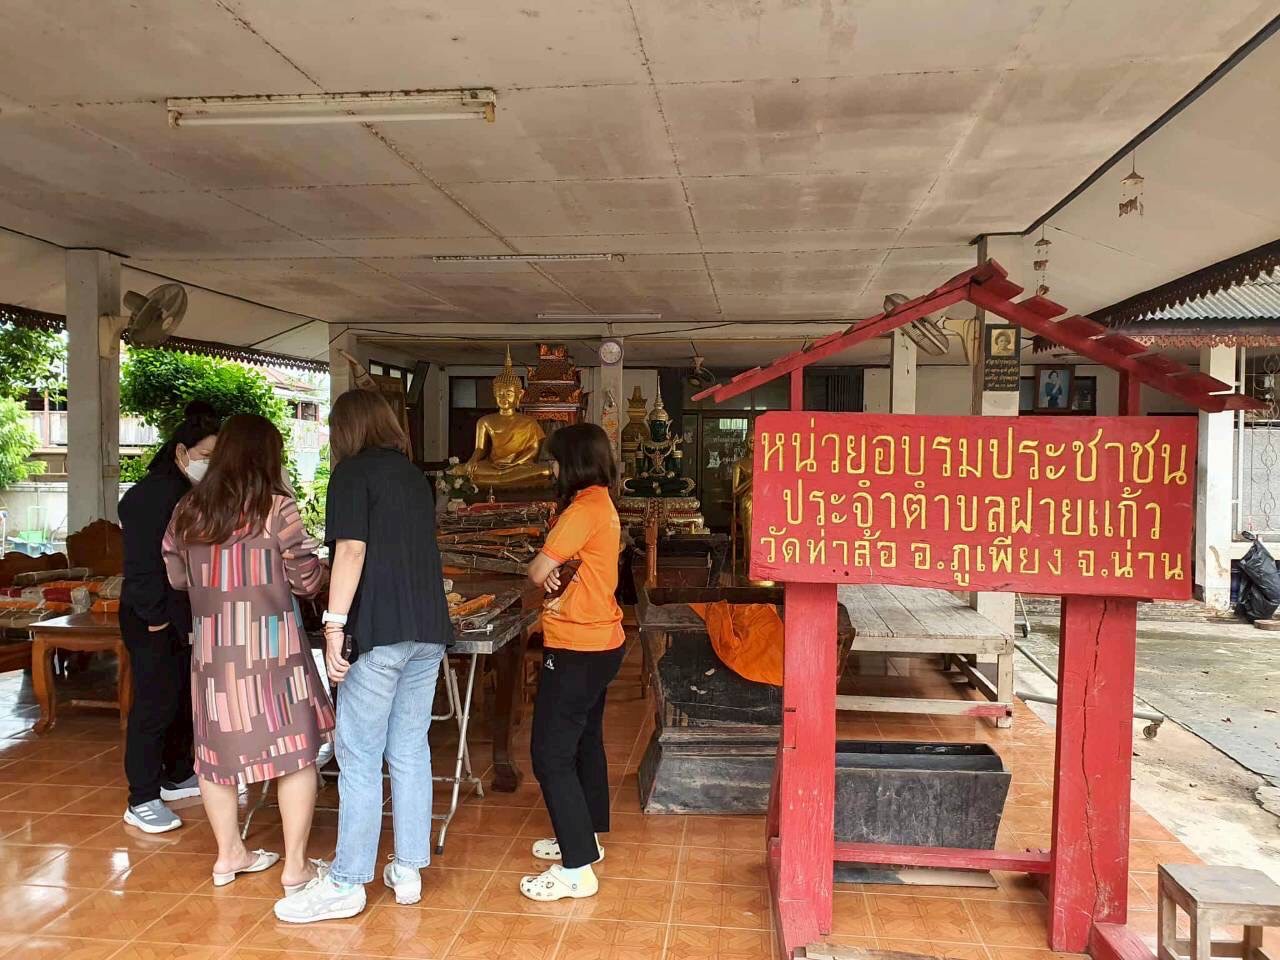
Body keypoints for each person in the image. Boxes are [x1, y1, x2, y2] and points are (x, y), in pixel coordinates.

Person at [275, 388, 451, 924]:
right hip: (428, 629)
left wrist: (333, 625)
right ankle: (408, 869)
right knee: (410, 749)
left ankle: (348, 881)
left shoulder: (352, 473)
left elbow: (351, 551)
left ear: (345, 430)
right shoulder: (413, 476)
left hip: (380, 630)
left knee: (358, 754)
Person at [163, 414, 332, 895]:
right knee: (294, 754)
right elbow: (306, 582)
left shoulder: (188, 509)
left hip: (213, 654)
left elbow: (176, 577)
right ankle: (295, 867)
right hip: (272, 652)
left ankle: (229, 854)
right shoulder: (277, 509)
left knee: (214, 756)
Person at [519, 422, 625, 902]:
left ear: (574, 462)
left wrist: (545, 567)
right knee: (584, 741)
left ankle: (577, 868)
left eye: (556, 461)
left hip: (577, 646)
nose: (552, 470)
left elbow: (537, 571)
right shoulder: (601, 503)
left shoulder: (582, 509)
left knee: (550, 754)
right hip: (601, 641)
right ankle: (587, 838)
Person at [118, 401, 222, 834]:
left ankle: (176, 774)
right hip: (152, 617)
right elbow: (142, 566)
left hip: (182, 617)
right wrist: (156, 618)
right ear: (181, 452)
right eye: (205, 456)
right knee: (154, 704)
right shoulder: (150, 496)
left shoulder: (191, 492)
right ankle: (141, 796)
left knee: (181, 698)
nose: (210, 465)